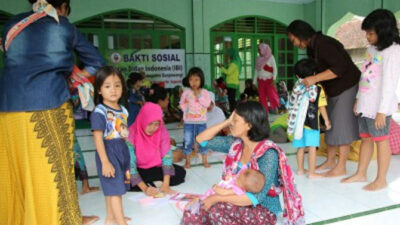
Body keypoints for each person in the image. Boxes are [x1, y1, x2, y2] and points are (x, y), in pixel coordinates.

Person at [0, 0, 104, 224]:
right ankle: (65, 219)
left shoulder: (11, 25)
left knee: (17, 171)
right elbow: (96, 62)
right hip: (48, 105)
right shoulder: (64, 26)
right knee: (56, 170)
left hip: (8, 109)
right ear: (63, 6)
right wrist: (73, 79)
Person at [181, 101, 304, 225]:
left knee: (215, 209)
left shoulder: (267, 154)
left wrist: (216, 198)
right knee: (194, 210)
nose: (231, 124)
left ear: (249, 125)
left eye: (235, 120)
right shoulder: (235, 144)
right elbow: (201, 139)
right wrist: (227, 122)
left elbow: (256, 198)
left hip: (262, 209)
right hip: (233, 199)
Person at [287, 20, 361, 177]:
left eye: (294, 40)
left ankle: (341, 166)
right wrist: (322, 92)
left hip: (346, 85)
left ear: (301, 35)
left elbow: (339, 68)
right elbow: (318, 72)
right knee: (330, 125)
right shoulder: (312, 48)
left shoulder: (325, 44)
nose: (295, 44)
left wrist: (314, 80)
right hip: (332, 89)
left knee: (342, 125)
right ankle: (330, 161)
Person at [341, 9, 400, 191]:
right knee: (365, 139)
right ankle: (361, 173)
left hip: (379, 108)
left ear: (384, 31)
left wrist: (382, 110)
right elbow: (365, 76)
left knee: (381, 141)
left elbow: (390, 83)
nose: (367, 37)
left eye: (371, 33)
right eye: (367, 33)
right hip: (366, 105)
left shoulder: (394, 51)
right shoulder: (371, 49)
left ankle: (381, 179)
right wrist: (358, 99)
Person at [91, 66, 131, 225]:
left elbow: (122, 132)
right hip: (108, 152)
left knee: (114, 186)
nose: (113, 90)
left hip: (121, 151)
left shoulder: (124, 111)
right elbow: (98, 138)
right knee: (115, 190)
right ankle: (120, 221)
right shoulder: (99, 111)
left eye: (117, 85)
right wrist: (105, 162)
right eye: (107, 86)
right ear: (99, 90)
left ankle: (111, 218)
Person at [128, 102, 186, 195]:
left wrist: (166, 184)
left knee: (180, 173)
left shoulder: (161, 130)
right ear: (143, 120)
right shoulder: (131, 132)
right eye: (150, 124)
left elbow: (166, 156)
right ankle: (150, 184)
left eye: (156, 124)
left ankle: (154, 183)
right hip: (137, 168)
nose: (153, 128)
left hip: (156, 167)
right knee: (123, 180)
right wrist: (145, 189)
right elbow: (130, 164)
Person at [289, 59, 331, 178]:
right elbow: (321, 106)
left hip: (298, 124)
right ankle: (312, 173)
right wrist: (326, 121)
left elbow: (292, 104)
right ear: (314, 74)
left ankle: (301, 170)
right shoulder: (318, 88)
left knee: (300, 147)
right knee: (312, 147)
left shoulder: (297, 87)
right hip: (312, 123)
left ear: (297, 75)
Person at [185, 168, 265, 214]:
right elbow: (233, 177)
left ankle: (193, 212)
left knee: (202, 204)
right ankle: (191, 208)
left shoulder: (237, 190)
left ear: (243, 188)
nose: (237, 177)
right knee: (200, 200)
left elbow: (223, 192)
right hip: (212, 196)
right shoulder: (239, 182)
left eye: (238, 178)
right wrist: (230, 177)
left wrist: (215, 187)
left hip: (215, 197)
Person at [180, 67, 211, 168]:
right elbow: (181, 103)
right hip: (189, 122)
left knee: (203, 140)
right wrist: (186, 111)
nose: (193, 82)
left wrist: (199, 96)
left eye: (196, 80)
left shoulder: (205, 92)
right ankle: (188, 161)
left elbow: (207, 104)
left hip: (201, 122)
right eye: (191, 80)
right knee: (188, 140)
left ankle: (204, 160)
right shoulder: (186, 92)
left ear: (201, 80)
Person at [254, 43, 280, 114]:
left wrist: (274, 79)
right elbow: (256, 71)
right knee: (262, 96)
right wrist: (254, 82)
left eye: (259, 50)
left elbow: (275, 69)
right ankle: (265, 111)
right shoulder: (258, 59)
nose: (258, 52)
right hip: (260, 80)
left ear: (264, 50)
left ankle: (275, 108)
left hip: (269, 80)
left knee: (271, 94)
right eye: (258, 50)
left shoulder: (271, 57)